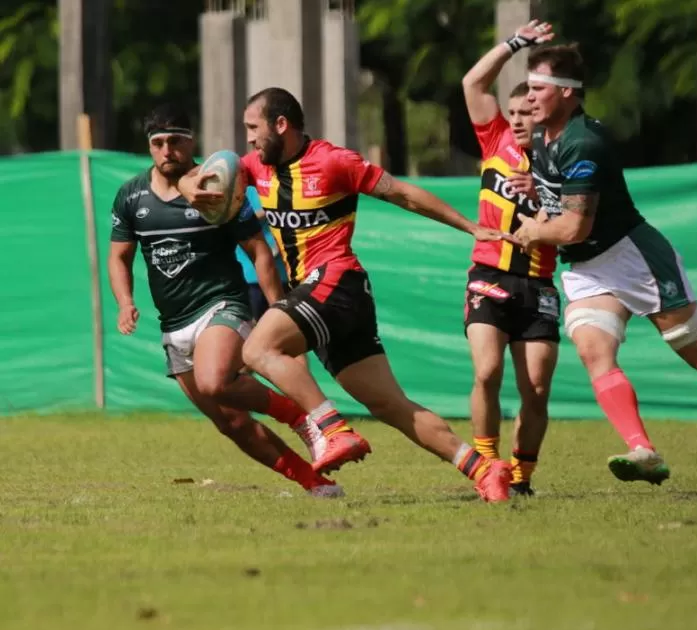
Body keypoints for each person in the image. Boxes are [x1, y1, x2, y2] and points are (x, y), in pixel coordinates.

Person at [179, 88, 515, 502]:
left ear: (280, 124)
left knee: (256, 351)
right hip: (327, 295)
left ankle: (333, 429)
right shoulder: (254, 167)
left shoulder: (334, 161)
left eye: (253, 127)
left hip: (338, 282)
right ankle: (484, 470)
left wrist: (469, 226)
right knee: (391, 406)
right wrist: (188, 184)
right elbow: (196, 175)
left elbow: (403, 193)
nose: (247, 138)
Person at [513, 44, 697, 483]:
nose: (529, 98)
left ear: (566, 93)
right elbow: (557, 211)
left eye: (539, 88)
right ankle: (642, 450)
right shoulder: (543, 138)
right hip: (587, 266)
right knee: (593, 351)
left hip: (634, 258)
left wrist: (533, 232)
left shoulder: (583, 142)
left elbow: (574, 227)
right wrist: (538, 220)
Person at [108, 104, 342, 498]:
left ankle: (299, 416)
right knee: (231, 424)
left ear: (191, 141)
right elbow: (119, 256)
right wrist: (124, 300)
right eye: (159, 143)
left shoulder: (219, 186)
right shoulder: (132, 197)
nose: (168, 151)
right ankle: (314, 482)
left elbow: (260, 252)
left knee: (214, 382)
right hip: (174, 324)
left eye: (176, 141)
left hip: (222, 305)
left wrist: (280, 310)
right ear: (149, 148)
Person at [460, 20, 560, 496]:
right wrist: (513, 45)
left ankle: (520, 478)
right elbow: (472, 83)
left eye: (528, 112)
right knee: (486, 371)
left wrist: (542, 193)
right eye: (514, 111)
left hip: (538, 284)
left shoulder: (565, 160)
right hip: (489, 274)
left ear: (544, 115)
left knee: (536, 389)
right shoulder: (494, 139)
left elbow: (578, 225)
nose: (518, 119)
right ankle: (486, 467)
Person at [235, 186, 289, 320]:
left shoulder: (275, 187)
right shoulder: (244, 190)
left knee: (284, 319)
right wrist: (269, 211)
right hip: (250, 276)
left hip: (282, 273)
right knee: (258, 322)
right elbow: (239, 216)